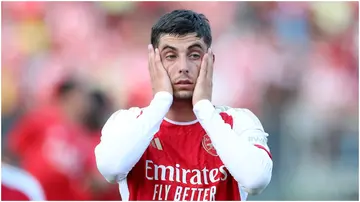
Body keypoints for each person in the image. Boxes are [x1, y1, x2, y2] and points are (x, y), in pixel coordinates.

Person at [95, 9, 273, 201]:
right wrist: (161, 100)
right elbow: (111, 169)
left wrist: (204, 108)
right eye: (171, 56)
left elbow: (256, 180)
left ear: (210, 61)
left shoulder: (238, 121)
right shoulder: (127, 121)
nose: (183, 67)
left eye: (194, 55)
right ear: (153, 63)